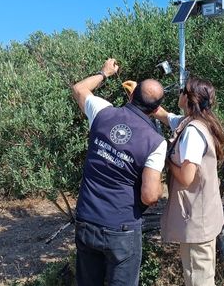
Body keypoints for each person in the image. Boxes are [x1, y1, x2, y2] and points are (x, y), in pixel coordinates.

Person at [71, 58, 166, 286]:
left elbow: (79, 88)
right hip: (121, 227)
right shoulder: (155, 142)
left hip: (87, 219)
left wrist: (105, 73)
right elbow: (150, 196)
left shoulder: (103, 113)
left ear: (131, 96)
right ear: (155, 110)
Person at [153, 77, 224, 286]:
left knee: (198, 280)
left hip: (196, 222)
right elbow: (166, 117)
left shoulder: (193, 132)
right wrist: (139, 95)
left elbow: (186, 177)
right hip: (203, 217)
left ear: (188, 98)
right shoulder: (198, 121)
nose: (179, 93)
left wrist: (165, 158)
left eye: (181, 91)